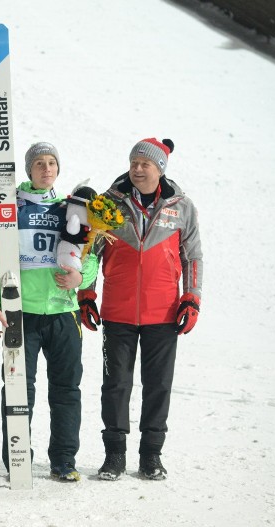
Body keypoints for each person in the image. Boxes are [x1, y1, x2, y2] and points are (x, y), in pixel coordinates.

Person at [79, 137, 202, 481]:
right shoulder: (108, 203)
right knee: (115, 384)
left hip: (163, 313)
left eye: (145, 164)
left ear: (160, 169)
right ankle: (114, 455)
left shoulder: (182, 207)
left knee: (158, 384)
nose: (137, 168)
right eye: (134, 162)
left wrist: (191, 297)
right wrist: (86, 293)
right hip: (117, 310)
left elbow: (193, 255)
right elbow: (90, 251)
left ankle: (151, 455)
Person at [0, 142, 98, 482]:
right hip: (22, 312)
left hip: (64, 312)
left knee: (66, 389)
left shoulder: (71, 209)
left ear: (58, 170)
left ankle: (64, 460)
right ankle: (18, 460)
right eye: (39, 163)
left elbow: (90, 258)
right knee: (19, 388)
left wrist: (81, 277)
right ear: (29, 169)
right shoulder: (10, 207)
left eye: (51, 163)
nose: (46, 168)